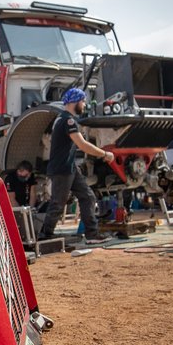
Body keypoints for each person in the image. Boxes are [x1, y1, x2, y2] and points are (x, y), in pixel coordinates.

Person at [38, 87, 114, 241]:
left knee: (88, 197)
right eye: (83, 101)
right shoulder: (68, 120)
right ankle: (45, 236)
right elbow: (82, 144)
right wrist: (104, 154)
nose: (84, 105)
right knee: (58, 203)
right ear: (75, 101)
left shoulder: (62, 118)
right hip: (62, 168)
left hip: (69, 167)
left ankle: (92, 234)